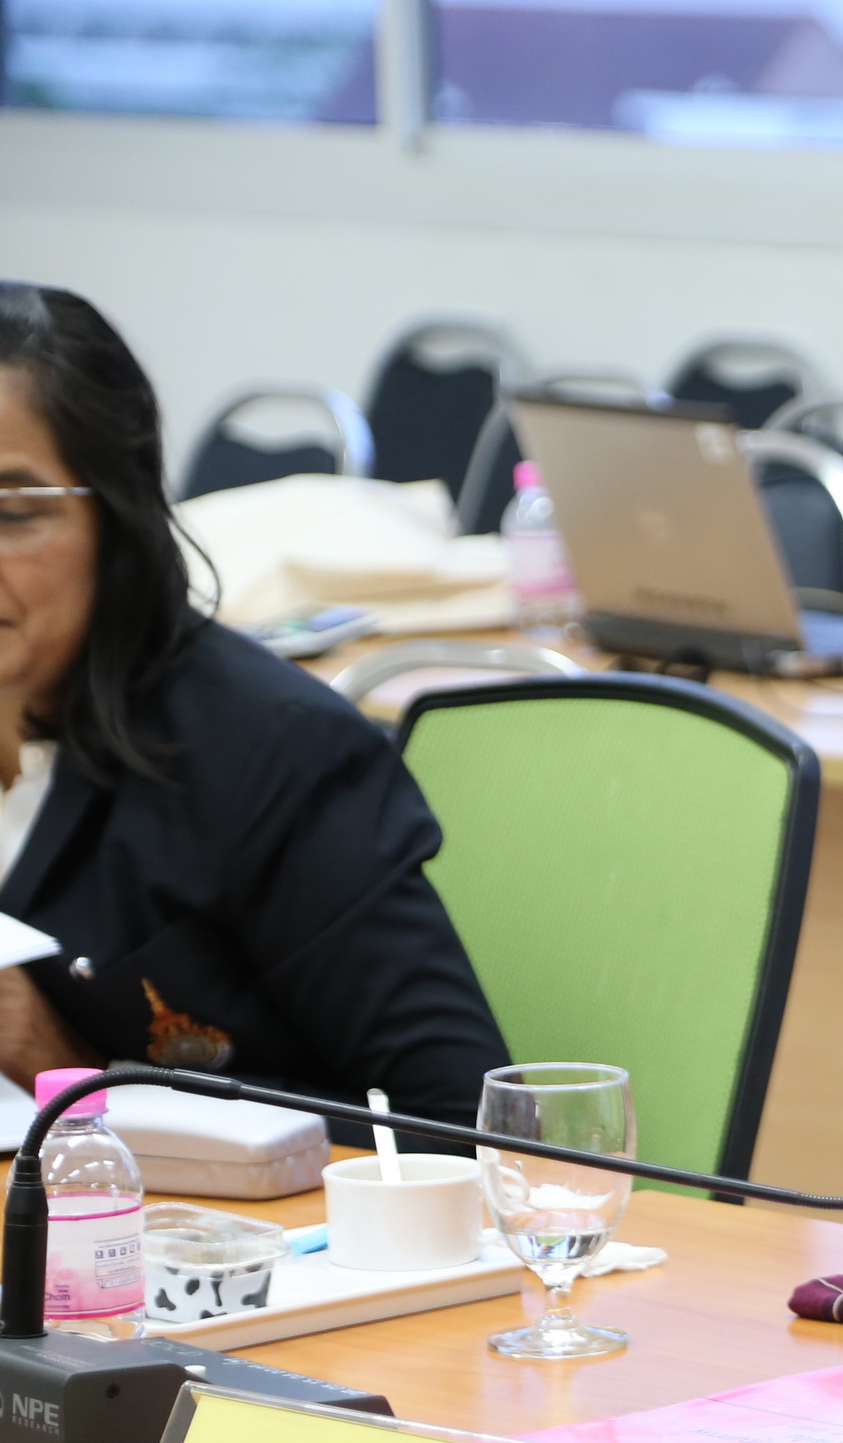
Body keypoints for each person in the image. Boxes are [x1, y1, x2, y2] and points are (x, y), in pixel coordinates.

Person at [0, 282, 509, 1140]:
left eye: (13, 514)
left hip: (208, 1222)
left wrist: (71, 1070)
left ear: (120, 519)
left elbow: (458, 1130)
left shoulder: (271, 751)